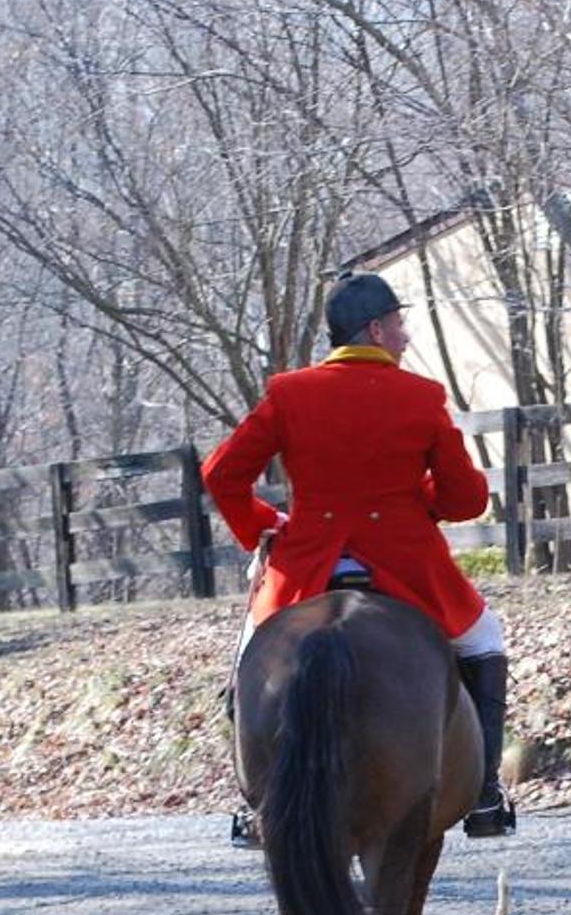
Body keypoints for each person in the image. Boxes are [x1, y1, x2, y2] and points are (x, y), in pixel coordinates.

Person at [203, 270, 515, 839]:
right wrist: (413, 502)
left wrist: (266, 526)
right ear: (374, 329)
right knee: (484, 642)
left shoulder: (289, 393)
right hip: (406, 568)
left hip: (305, 567)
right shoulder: (423, 397)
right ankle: (485, 794)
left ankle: (256, 805)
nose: (405, 336)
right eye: (399, 325)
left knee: (251, 661)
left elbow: (221, 474)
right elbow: (466, 499)